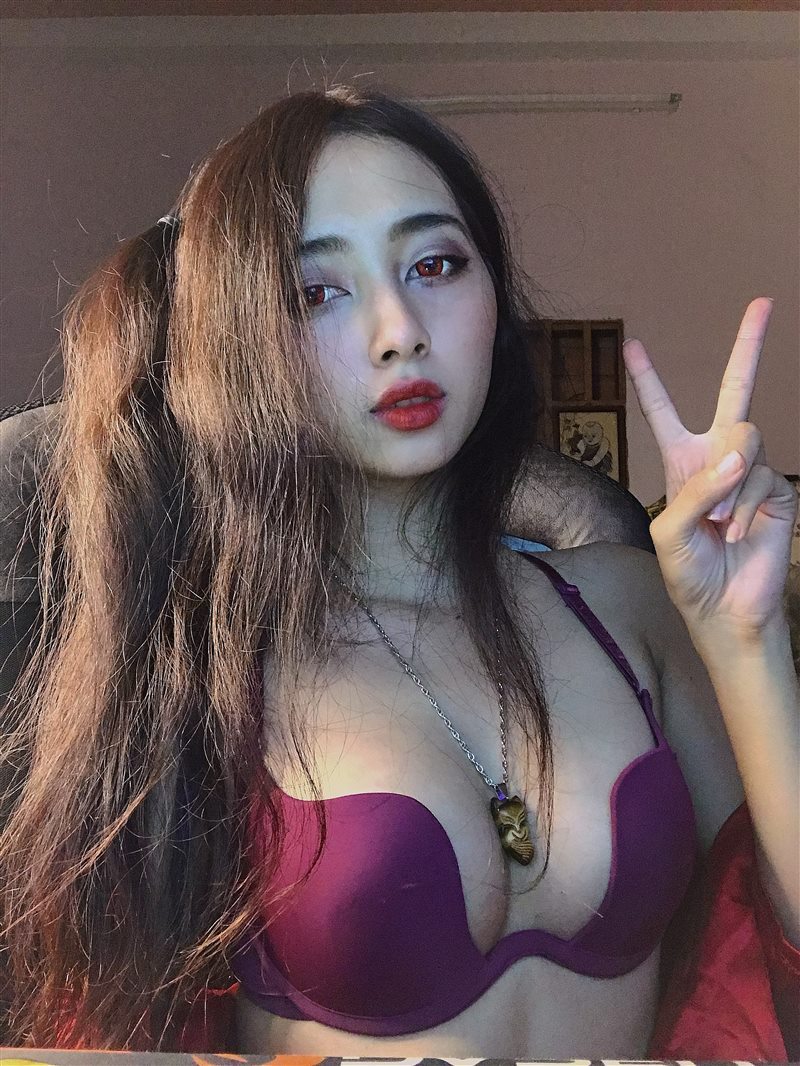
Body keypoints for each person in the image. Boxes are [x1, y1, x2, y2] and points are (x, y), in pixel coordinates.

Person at [0, 83, 797, 1059]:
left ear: (494, 294)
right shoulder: (196, 668)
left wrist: (748, 641)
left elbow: (776, 953)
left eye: (434, 264)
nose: (399, 330)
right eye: (316, 291)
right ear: (239, 342)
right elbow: (112, 1030)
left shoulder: (626, 604)